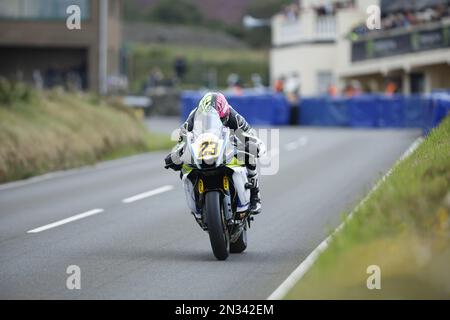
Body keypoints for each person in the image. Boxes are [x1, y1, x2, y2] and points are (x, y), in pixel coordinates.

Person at [164, 92, 265, 215]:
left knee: (248, 155)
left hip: (228, 145)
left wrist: (255, 146)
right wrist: (174, 155)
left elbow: (251, 135)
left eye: (223, 119)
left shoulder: (234, 117)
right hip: (204, 148)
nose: (221, 120)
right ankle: (196, 199)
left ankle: (255, 195)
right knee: (183, 166)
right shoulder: (192, 118)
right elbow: (181, 141)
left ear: (226, 112)